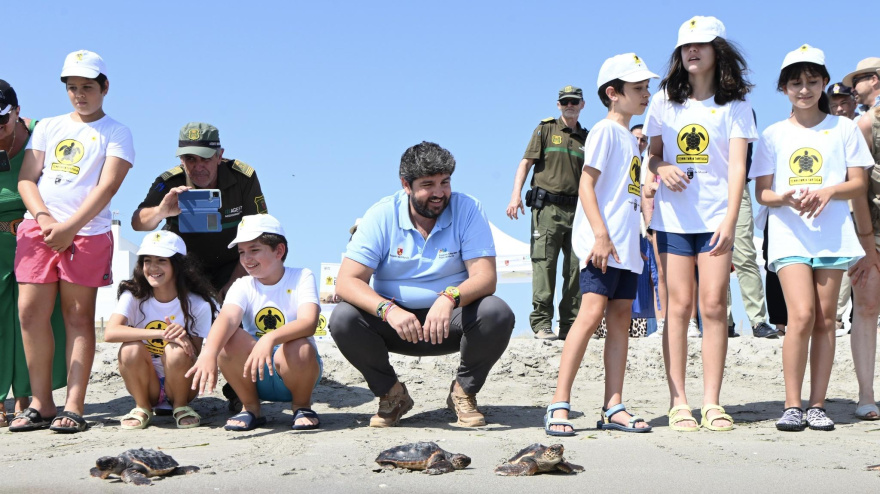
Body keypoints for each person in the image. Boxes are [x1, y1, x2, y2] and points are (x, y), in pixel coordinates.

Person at [330, 141, 514, 428]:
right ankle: (391, 394)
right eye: (428, 184)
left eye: (445, 182)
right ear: (406, 184)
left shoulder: (468, 209)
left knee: (496, 312)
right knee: (342, 317)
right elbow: (346, 282)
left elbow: (485, 278)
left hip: (451, 319)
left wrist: (449, 297)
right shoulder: (380, 215)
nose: (440, 193)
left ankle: (464, 392)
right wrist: (387, 309)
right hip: (395, 323)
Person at [10, 50, 134, 434]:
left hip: (88, 233)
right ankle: (41, 402)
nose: (79, 94)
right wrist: (46, 219)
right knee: (30, 314)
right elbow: (27, 178)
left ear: (104, 87)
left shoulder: (116, 131)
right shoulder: (47, 125)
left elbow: (108, 186)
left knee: (78, 318)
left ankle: (74, 405)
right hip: (39, 229)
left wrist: (70, 227)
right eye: (73, 87)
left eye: (87, 87)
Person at [644, 16, 756, 432]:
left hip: (715, 220)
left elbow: (738, 170)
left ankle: (712, 402)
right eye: (686, 46)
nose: (692, 51)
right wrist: (662, 168)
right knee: (678, 307)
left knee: (713, 306)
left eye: (701, 45)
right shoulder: (662, 102)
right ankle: (679, 402)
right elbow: (652, 156)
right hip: (674, 220)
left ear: (717, 51)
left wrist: (730, 220)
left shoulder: (737, 107)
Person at [752, 45, 872, 431]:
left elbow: (858, 183)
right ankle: (792, 404)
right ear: (784, 88)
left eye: (811, 81)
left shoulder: (845, 128)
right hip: (788, 235)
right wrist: (784, 197)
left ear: (823, 83)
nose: (804, 89)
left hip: (833, 236)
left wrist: (827, 192)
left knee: (825, 318)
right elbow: (762, 193)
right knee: (800, 315)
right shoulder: (772, 135)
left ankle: (817, 404)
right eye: (795, 82)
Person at [544, 53, 657, 436]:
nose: (645, 94)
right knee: (589, 317)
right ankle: (559, 403)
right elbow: (586, 185)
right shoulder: (606, 131)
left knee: (621, 321)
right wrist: (600, 235)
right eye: (637, 88)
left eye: (646, 87)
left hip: (627, 248)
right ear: (613, 93)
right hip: (601, 245)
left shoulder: (631, 138)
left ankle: (614, 405)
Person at [187, 214, 323, 431]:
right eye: (242, 252)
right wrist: (208, 353)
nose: (246, 258)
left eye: (254, 250)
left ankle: (301, 406)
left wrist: (269, 338)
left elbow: (309, 323)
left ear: (279, 251)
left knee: (300, 345)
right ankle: (250, 407)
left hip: (296, 371)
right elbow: (228, 318)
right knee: (228, 341)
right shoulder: (243, 285)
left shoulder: (301, 276)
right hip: (254, 373)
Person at [131, 122, 268, 295]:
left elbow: (259, 233)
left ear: (219, 156)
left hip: (233, 267)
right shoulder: (170, 182)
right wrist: (161, 211)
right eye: (190, 159)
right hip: (183, 270)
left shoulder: (243, 178)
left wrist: (235, 283)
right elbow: (138, 223)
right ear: (181, 160)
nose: (198, 166)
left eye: (205, 159)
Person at [0, 80, 67, 428]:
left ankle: (28, 395)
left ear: (17, 111)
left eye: (2, 121)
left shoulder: (44, 134)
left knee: (38, 315)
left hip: (38, 236)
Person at [104, 231, 218, 429]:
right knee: (130, 349)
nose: (153, 268)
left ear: (178, 265)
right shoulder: (134, 295)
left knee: (176, 350)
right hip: (146, 383)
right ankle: (142, 407)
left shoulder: (198, 303)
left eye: (161, 260)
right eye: (147, 260)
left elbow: (196, 354)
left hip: (180, 383)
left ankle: (181, 407)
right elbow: (110, 332)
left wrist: (183, 337)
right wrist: (161, 333)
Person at [506, 86, 588, 341]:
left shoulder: (587, 137)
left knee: (576, 268)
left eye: (574, 101)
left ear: (582, 104)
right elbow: (525, 163)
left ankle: (569, 325)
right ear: (558, 105)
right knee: (545, 264)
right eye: (565, 102)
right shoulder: (545, 129)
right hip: (547, 209)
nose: (569, 105)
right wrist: (515, 194)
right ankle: (542, 323)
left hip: (577, 210)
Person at [844, 57, 880, 420]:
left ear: (874, 79)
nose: (853, 88)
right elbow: (858, 189)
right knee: (867, 309)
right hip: (873, 231)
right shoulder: (866, 124)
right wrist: (866, 243)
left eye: (858, 80)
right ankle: (866, 394)